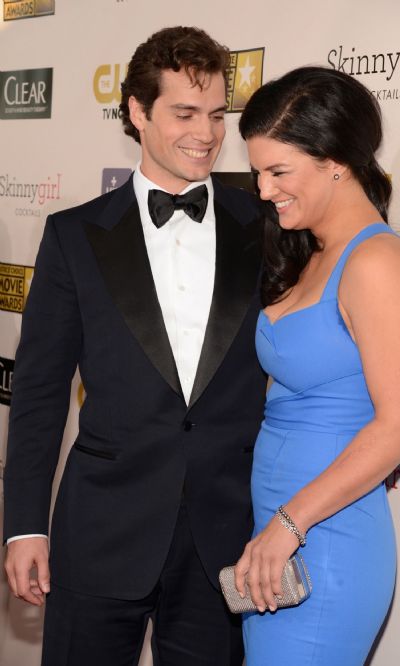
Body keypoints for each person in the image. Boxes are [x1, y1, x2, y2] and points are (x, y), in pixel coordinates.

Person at [3, 26, 266, 666]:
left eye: (216, 114)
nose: (205, 133)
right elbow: (38, 391)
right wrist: (24, 524)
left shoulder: (265, 225)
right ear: (138, 112)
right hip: (101, 528)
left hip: (225, 535)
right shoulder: (74, 236)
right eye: (183, 112)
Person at [234, 66, 400, 665]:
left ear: (336, 161)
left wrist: (289, 524)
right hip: (277, 538)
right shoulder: (314, 251)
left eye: (278, 172)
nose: (264, 191)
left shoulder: (376, 262)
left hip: (324, 540)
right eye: (257, 173)